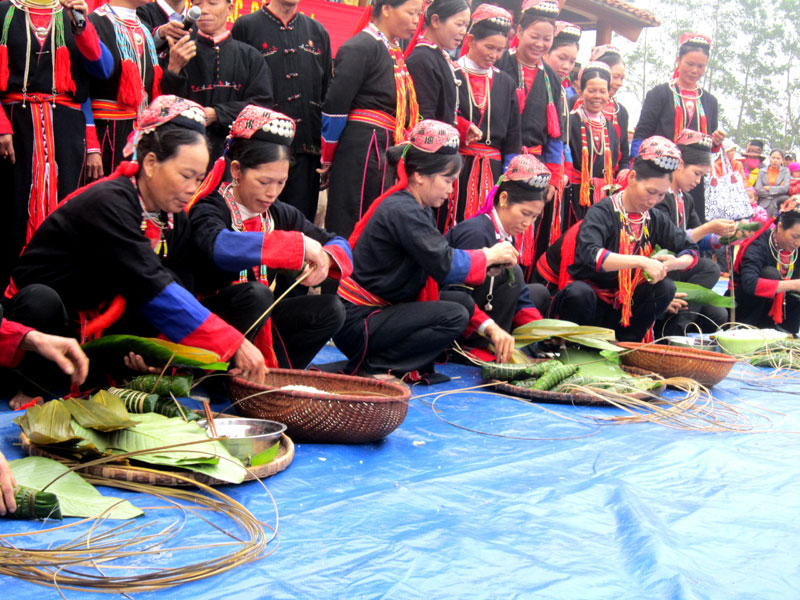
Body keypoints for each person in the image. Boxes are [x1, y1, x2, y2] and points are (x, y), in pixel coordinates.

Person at [6, 96, 267, 400]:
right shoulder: (109, 203)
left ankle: (144, 375)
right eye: (185, 175)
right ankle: (32, 386)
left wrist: (156, 347)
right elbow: (150, 283)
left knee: (239, 297)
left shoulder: (173, 218)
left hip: (106, 324)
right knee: (41, 300)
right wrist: (232, 343)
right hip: (51, 323)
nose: (191, 188)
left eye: (198, 178)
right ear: (151, 163)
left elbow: (179, 284)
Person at [333, 120, 518, 380]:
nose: (451, 190)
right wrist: (489, 255)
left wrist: (491, 327)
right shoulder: (403, 210)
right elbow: (444, 263)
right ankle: (378, 365)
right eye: (447, 180)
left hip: (380, 313)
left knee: (461, 301)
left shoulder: (418, 208)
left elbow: (439, 260)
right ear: (419, 175)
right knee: (452, 315)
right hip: (360, 321)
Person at [189, 106, 351, 369]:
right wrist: (293, 247)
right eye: (264, 182)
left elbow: (338, 243)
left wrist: (325, 259)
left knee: (331, 309)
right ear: (237, 170)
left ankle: (280, 374)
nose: (272, 193)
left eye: (280, 183)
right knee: (256, 295)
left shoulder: (279, 213)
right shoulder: (210, 207)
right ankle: (221, 376)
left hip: (260, 321)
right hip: (211, 327)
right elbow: (219, 246)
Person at [0, 0, 113, 289]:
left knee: (66, 207)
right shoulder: (4, 11)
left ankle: (57, 293)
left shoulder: (73, 15)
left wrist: (82, 26)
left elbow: (103, 69)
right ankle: (12, 296)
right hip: (16, 127)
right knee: (13, 209)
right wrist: (1, 126)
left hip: (65, 129)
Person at [550, 136, 699, 342]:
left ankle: (628, 343)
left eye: (661, 195)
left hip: (623, 310)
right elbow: (590, 254)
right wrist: (641, 261)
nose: (653, 201)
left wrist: (676, 263)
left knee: (665, 288)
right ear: (632, 178)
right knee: (578, 293)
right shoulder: (603, 211)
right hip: (590, 306)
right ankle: (575, 345)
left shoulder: (654, 218)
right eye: (650, 192)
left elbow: (690, 248)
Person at [320, 0, 422, 239]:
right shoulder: (362, 46)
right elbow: (336, 105)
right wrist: (328, 156)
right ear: (386, 9)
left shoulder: (392, 51)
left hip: (385, 146)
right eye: (411, 12)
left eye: (418, 14)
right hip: (365, 147)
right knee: (354, 216)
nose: (416, 21)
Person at [231, 0, 332, 222]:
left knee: (299, 223)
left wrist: (326, 156)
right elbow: (237, 89)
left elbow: (327, 94)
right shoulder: (246, 26)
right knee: (256, 222)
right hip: (261, 151)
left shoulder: (317, 31)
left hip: (307, 151)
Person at [445, 154, 551, 359]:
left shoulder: (504, 236)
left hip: (485, 309)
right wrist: (491, 329)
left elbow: (520, 297)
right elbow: (457, 297)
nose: (528, 223)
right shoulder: (476, 233)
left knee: (536, 291)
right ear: (503, 199)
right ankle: (475, 347)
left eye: (534, 217)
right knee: (515, 272)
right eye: (525, 213)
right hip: (458, 321)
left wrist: (545, 332)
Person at [160, 0, 274, 161]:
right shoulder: (179, 51)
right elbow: (166, 105)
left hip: (236, 155)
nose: (204, 10)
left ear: (230, 9)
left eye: (212, 3)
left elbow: (262, 105)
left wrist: (217, 114)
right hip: (186, 152)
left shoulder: (250, 57)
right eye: (197, 4)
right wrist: (173, 69)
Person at [495, 0, 563, 265]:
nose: (540, 44)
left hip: (537, 168)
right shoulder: (501, 63)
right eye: (534, 36)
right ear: (519, 32)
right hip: (501, 161)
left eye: (547, 39)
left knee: (525, 227)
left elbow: (555, 137)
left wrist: (554, 178)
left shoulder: (552, 79)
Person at [631, 33, 726, 222]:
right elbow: (641, 134)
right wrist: (636, 168)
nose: (694, 70)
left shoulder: (710, 101)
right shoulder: (659, 94)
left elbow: (710, 149)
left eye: (700, 66)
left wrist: (715, 142)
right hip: (660, 172)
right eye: (690, 64)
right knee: (657, 222)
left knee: (690, 224)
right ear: (678, 61)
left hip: (692, 179)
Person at [652, 129, 731, 336]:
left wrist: (723, 236)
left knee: (718, 316)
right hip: (661, 266)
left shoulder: (685, 199)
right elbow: (670, 241)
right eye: (696, 173)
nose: (698, 181)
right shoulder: (660, 197)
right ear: (679, 165)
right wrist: (709, 227)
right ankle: (673, 332)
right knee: (710, 268)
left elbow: (699, 238)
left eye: (702, 176)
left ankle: (679, 322)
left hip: (680, 267)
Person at [451, 4, 521, 230]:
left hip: (493, 169)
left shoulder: (506, 82)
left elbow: (513, 133)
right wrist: (462, 127)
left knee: (486, 226)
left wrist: (509, 175)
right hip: (456, 165)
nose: (494, 55)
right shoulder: (451, 72)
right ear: (470, 40)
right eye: (489, 47)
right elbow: (442, 115)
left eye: (500, 50)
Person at [86, 0, 162, 176]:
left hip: (138, 135)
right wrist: (91, 144)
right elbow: (82, 90)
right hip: (105, 133)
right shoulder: (95, 23)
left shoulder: (143, 27)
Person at [563, 61, 620, 229]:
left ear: (609, 94)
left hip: (600, 198)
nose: (597, 96)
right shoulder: (571, 121)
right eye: (591, 90)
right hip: (573, 194)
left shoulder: (610, 128)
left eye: (602, 91)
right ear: (580, 91)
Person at [733, 199, 800, 333]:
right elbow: (749, 283)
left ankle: (786, 331)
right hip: (748, 312)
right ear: (780, 227)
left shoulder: (797, 248)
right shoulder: (758, 244)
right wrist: (794, 285)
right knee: (770, 274)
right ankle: (752, 330)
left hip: (784, 314)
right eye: (795, 236)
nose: (798, 243)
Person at [405, 0, 471, 128]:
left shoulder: (439, 57)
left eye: (466, 26)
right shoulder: (422, 59)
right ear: (436, 21)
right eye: (459, 24)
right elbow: (424, 118)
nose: (463, 32)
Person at [590, 44, 629, 171]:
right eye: (616, 77)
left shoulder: (620, 111)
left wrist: (623, 170)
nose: (619, 83)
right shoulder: (576, 105)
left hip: (611, 178)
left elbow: (623, 149)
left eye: (622, 78)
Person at [755, 149, 790, 217]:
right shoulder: (761, 171)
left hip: (778, 205)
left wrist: (769, 188)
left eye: (778, 158)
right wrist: (778, 189)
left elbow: (785, 188)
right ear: (769, 158)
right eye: (773, 158)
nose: (775, 160)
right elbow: (758, 190)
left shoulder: (785, 171)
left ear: (782, 160)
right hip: (763, 204)